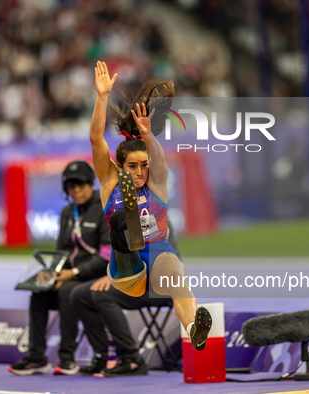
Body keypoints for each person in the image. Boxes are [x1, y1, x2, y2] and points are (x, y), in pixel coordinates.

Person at [87, 61, 212, 363]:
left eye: (144, 165)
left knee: (175, 272)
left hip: (157, 253)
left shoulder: (157, 183)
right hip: (126, 268)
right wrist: (102, 97)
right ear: (120, 166)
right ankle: (125, 231)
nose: (141, 172)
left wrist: (148, 135)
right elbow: (95, 139)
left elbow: (157, 163)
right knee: (122, 224)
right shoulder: (109, 182)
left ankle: (194, 327)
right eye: (133, 166)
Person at [8, 160, 111, 376]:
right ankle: (36, 358)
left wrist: (72, 274)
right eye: (71, 186)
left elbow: (107, 257)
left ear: (91, 184)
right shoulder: (66, 212)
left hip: (95, 277)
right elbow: (61, 251)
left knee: (66, 291)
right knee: (39, 293)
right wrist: (48, 274)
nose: (76, 190)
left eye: (80, 185)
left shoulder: (103, 208)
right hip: (68, 276)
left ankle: (67, 359)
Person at [70, 221, 182, 377]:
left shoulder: (151, 217)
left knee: (103, 294)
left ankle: (131, 359)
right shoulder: (126, 216)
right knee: (80, 294)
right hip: (139, 280)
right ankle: (104, 357)